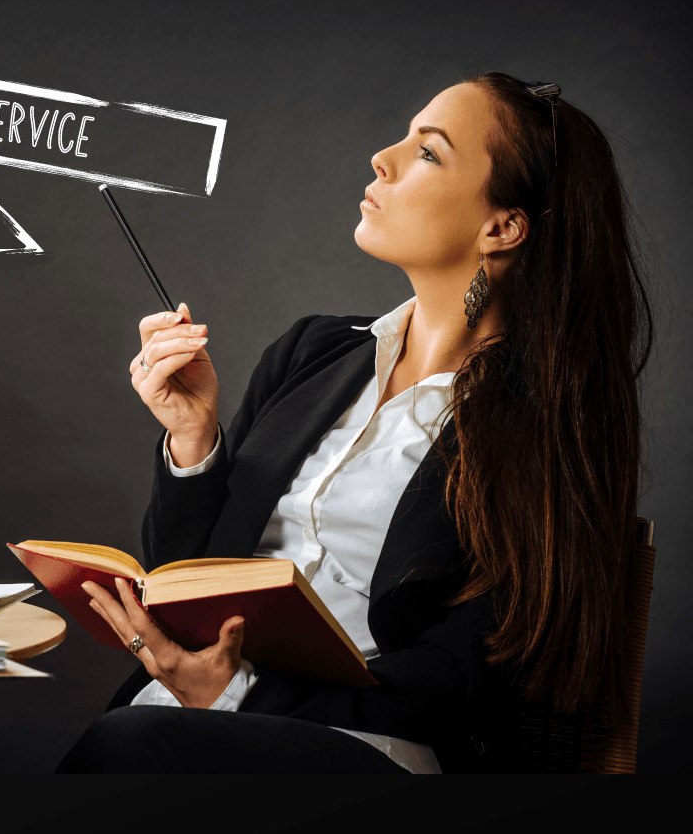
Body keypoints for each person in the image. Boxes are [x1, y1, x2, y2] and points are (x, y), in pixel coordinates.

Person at [56, 72, 655, 773]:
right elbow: (186, 577)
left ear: (502, 226)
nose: (383, 158)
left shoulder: (541, 426)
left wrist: (243, 693)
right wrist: (193, 441)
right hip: (187, 717)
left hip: (367, 747)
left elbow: (469, 673)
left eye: (428, 153)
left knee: (128, 745)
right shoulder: (314, 352)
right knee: (130, 737)